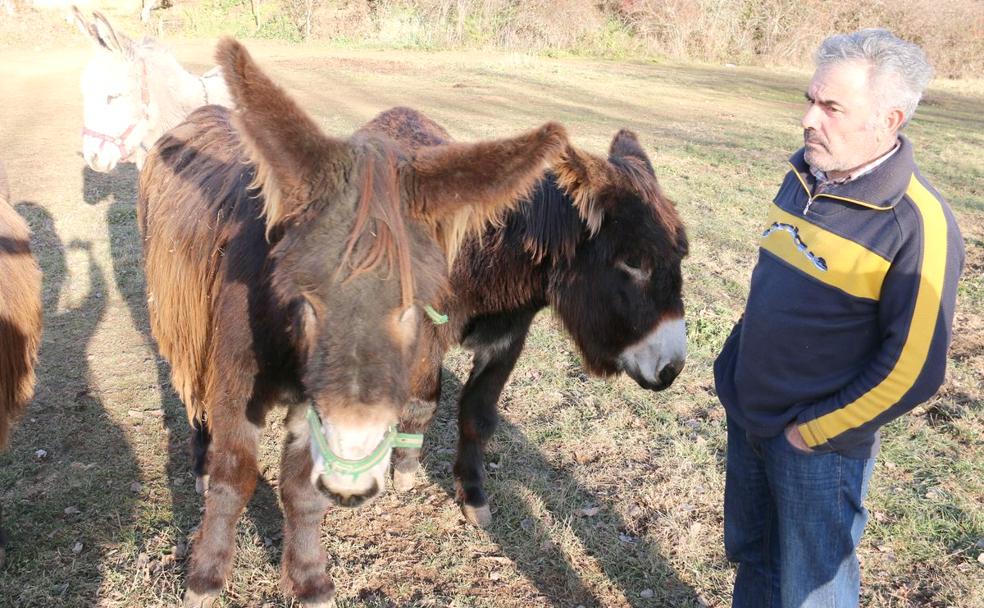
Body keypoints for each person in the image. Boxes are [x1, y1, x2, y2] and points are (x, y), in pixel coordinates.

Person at [713, 28, 965, 607]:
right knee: (756, 561)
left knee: (813, 590)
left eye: (830, 107)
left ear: (890, 118)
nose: (808, 119)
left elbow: (914, 371)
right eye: (810, 99)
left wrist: (813, 432)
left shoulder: (916, 225)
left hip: (816, 447)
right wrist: (732, 367)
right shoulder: (804, 175)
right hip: (749, 414)